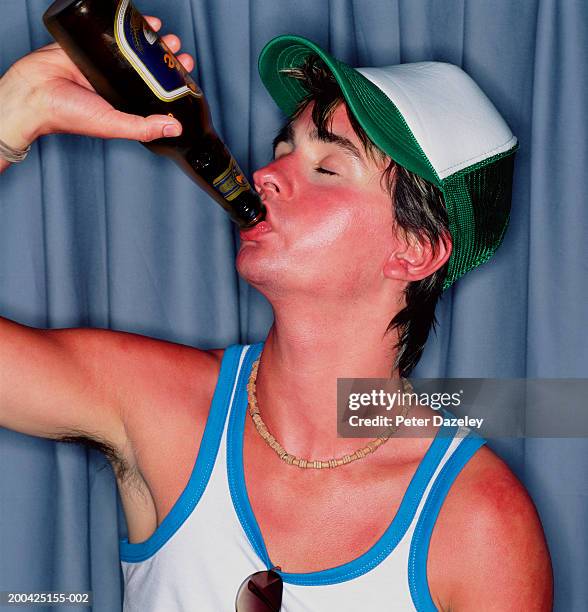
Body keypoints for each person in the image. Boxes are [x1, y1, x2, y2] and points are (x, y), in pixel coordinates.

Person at [0, 17, 552, 612]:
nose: (264, 175)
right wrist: (11, 115)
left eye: (327, 168)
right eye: (282, 149)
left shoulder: (478, 521)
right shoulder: (155, 403)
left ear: (415, 251)